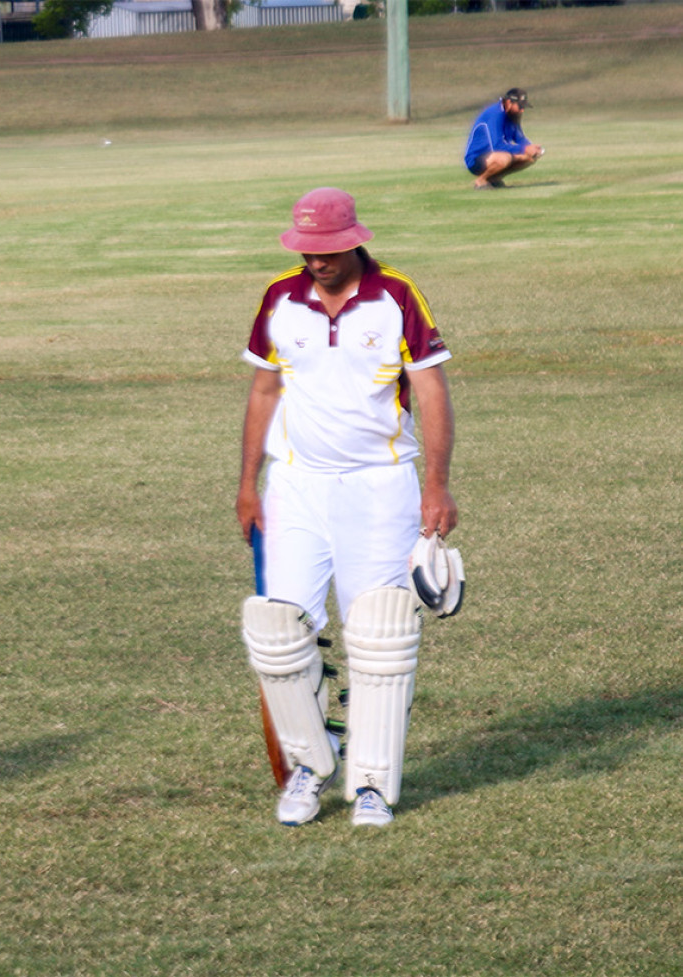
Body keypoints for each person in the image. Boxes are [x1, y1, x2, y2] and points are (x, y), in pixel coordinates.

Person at [235, 188, 458, 828]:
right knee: (279, 629)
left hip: (379, 483)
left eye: (328, 249)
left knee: (379, 633)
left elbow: (432, 393)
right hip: (295, 485)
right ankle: (311, 763)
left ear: (353, 240)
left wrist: (436, 485)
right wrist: (249, 483)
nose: (316, 260)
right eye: (306, 249)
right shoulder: (280, 296)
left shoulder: (396, 297)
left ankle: (372, 783)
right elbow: (264, 390)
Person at [464, 88, 543, 190]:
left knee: (530, 158)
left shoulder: (513, 115)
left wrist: (531, 147)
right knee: (505, 158)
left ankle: (494, 179)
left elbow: (519, 137)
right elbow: (497, 145)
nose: (522, 110)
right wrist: (524, 150)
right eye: (520, 106)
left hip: (496, 155)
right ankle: (481, 181)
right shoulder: (495, 114)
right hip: (476, 158)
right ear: (509, 103)